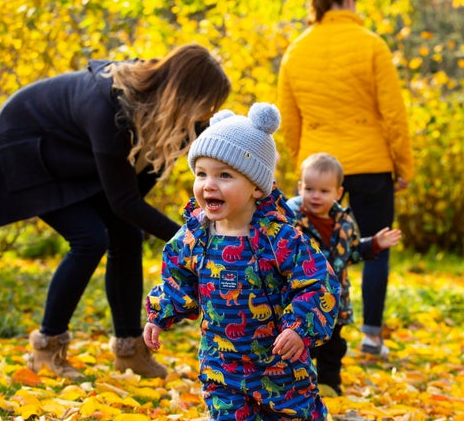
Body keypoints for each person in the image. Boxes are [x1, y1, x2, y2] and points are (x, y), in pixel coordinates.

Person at [0, 43, 231, 380]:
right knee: (89, 238)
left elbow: (132, 198)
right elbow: (125, 202)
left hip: (71, 157)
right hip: (25, 149)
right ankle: (46, 349)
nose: (205, 114)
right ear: (185, 94)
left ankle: (129, 351)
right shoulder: (112, 107)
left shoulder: (167, 114)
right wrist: (191, 237)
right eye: (205, 104)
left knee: (127, 235)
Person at [143, 103, 339, 420]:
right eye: (202, 173)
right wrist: (159, 313)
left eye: (225, 175)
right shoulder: (193, 237)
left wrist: (298, 327)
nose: (209, 184)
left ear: (256, 187)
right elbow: (178, 281)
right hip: (222, 367)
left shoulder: (281, 239)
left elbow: (319, 285)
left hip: (280, 367)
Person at [277, 0, 414, 357]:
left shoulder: (297, 51)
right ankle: (371, 337)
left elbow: (289, 123)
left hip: (316, 168)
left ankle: (302, 331)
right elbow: (393, 113)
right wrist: (404, 165)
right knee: (375, 246)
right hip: (371, 164)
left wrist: (302, 168)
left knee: (303, 252)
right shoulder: (372, 46)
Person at [287, 152, 401, 395]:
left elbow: (350, 253)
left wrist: (374, 244)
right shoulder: (291, 221)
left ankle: (329, 386)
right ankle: (295, 388)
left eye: (324, 191)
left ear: (338, 193)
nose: (316, 196)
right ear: (300, 188)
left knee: (333, 347)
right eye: (309, 189)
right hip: (300, 302)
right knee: (302, 346)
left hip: (334, 304)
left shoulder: (343, 222)